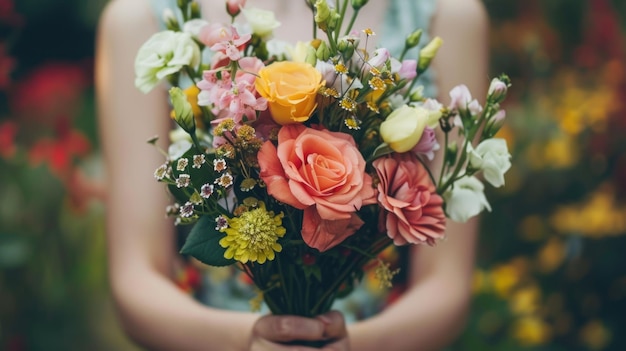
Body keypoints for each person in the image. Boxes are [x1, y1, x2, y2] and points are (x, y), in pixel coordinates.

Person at [95, 0, 489, 349]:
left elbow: (447, 286)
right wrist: (250, 341)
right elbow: (136, 279)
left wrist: (349, 344)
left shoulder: (448, 15)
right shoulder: (140, 19)